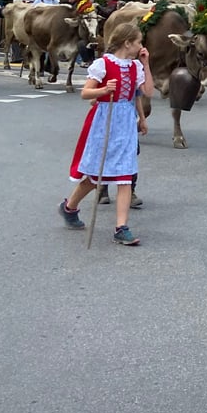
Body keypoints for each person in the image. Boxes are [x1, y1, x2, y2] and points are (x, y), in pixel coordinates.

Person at [58, 19, 155, 246]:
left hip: (126, 123)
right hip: (104, 121)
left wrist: (141, 118)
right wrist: (104, 89)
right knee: (95, 176)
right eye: (139, 41)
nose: (142, 46)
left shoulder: (136, 67)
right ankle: (69, 207)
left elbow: (144, 92)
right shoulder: (103, 64)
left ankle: (121, 228)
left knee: (124, 175)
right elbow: (86, 93)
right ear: (127, 43)